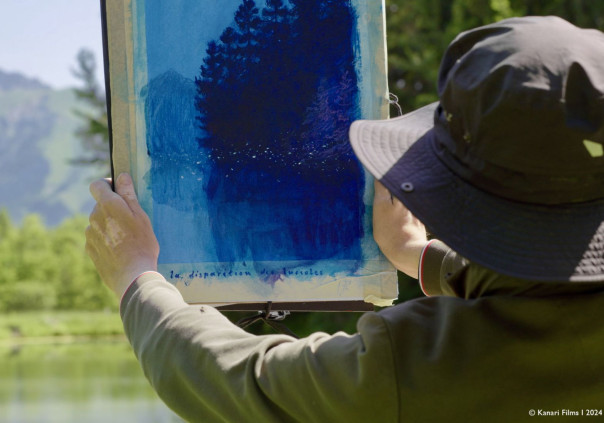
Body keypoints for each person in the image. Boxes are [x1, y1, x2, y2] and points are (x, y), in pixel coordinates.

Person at [85, 16, 604, 422]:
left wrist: (137, 277)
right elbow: (545, 290)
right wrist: (420, 257)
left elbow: (239, 380)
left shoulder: (418, 368)